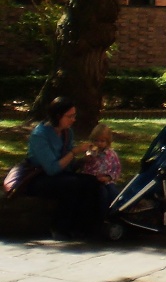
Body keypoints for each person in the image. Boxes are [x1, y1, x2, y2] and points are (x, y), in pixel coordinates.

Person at [25, 97, 106, 239]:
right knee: (72, 186)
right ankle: (59, 228)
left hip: (61, 174)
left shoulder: (67, 133)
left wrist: (82, 161)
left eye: (74, 116)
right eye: (70, 116)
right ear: (58, 116)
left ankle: (85, 227)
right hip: (40, 177)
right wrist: (74, 152)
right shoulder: (40, 135)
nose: (73, 120)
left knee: (91, 182)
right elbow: (52, 169)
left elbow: (68, 165)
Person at [79, 122, 122, 207]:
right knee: (102, 195)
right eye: (96, 140)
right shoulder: (91, 152)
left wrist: (108, 177)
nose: (99, 143)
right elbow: (84, 166)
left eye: (102, 141)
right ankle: (100, 214)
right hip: (92, 180)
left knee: (114, 193)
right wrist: (87, 158)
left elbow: (116, 169)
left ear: (107, 142)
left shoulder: (111, 154)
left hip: (106, 181)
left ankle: (115, 210)